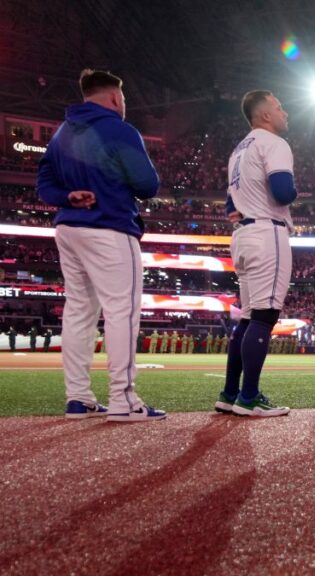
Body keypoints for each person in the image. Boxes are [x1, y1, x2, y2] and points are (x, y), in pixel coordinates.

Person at [37, 69, 165, 421]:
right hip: (109, 226)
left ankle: (78, 398)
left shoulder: (61, 133)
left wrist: (67, 196)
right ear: (114, 98)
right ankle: (124, 401)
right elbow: (147, 184)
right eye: (122, 99)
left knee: (79, 312)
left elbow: (44, 183)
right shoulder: (118, 129)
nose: (123, 105)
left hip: (69, 227)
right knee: (122, 311)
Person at [214, 89, 295, 418]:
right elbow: (283, 191)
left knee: (248, 317)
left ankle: (230, 392)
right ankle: (248, 397)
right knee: (264, 317)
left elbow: (229, 202)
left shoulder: (239, 148)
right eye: (279, 107)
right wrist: (296, 190)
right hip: (266, 232)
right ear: (265, 115)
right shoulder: (273, 143)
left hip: (243, 234)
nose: (284, 112)